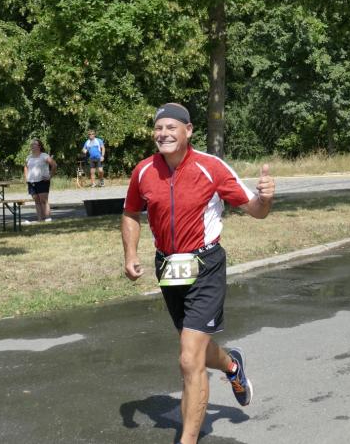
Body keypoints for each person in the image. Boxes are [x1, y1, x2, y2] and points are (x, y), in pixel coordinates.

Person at [121, 103, 275, 444]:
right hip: (168, 268)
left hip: (206, 267)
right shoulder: (144, 171)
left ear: (188, 130)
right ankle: (232, 365)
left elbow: (255, 210)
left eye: (171, 127)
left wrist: (265, 199)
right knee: (194, 348)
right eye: (159, 128)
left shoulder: (211, 167)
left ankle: (187, 440)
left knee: (189, 359)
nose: (163, 133)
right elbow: (130, 212)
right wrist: (130, 253)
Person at [23, 138, 57, 223]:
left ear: (39, 146)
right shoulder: (29, 157)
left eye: (34, 144)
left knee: (43, 201)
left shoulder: (44, 156)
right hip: (31, 182)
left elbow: (54, 165)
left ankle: (48, 218)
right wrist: (26, 177)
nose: (32, 146)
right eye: (32, 144)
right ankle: (40, 219)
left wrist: (50, 176)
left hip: (42, 181)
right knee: (37, 201)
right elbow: (26, 167)